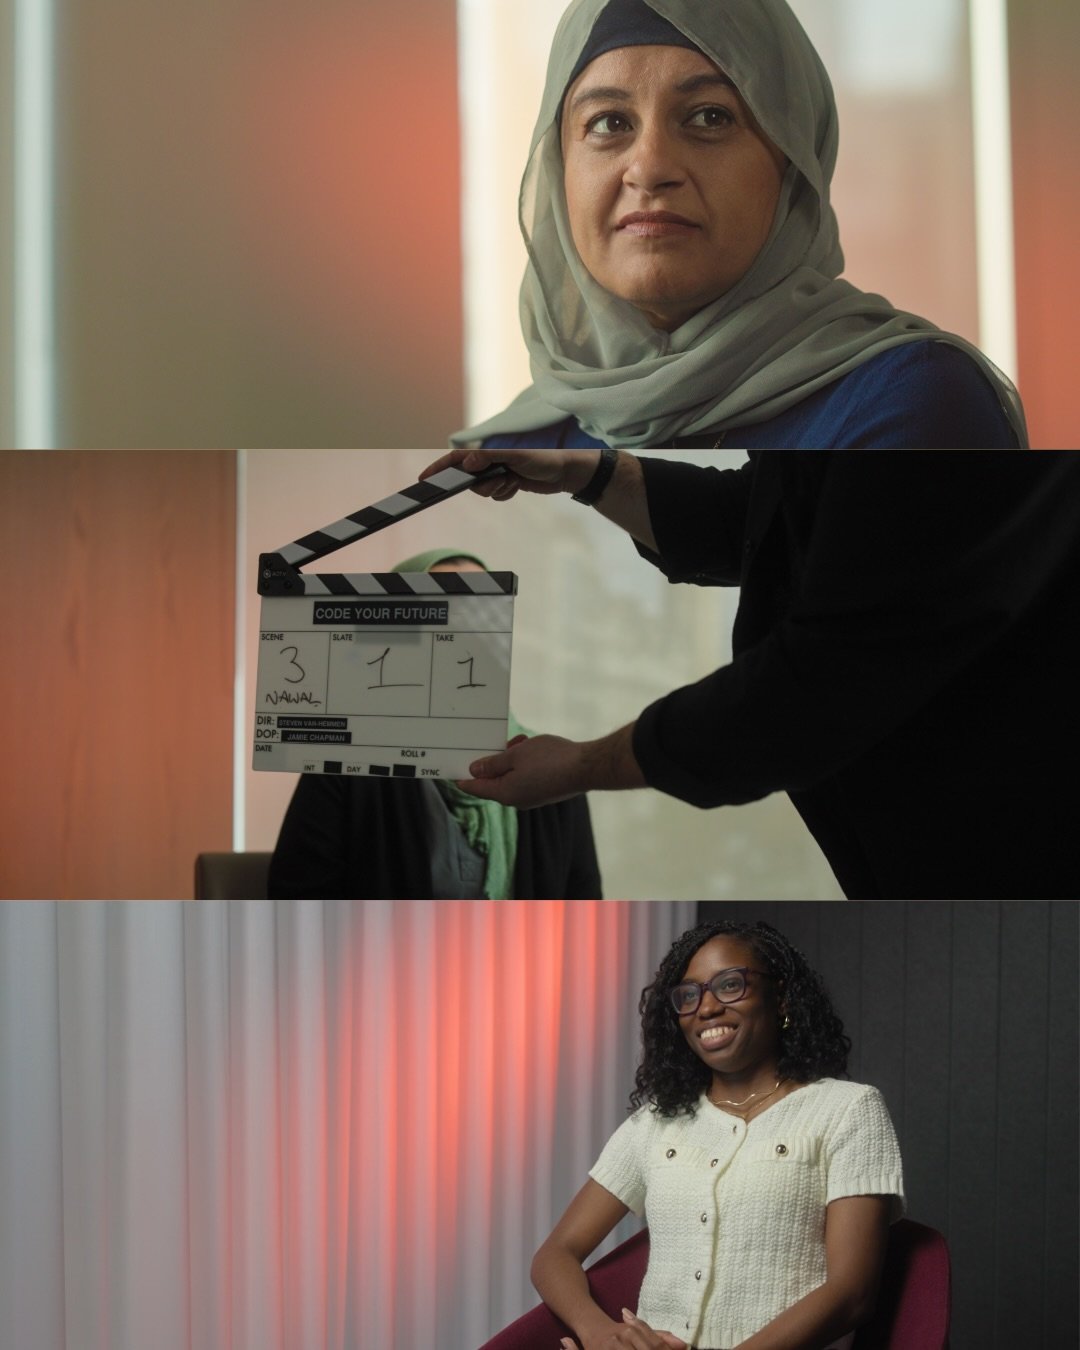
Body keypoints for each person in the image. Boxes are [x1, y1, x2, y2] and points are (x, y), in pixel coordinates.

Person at [417, 448, 1080, 900]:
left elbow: (821, 680)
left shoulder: (920, 401)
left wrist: (583, 766)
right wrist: (590, 473)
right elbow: (762, 514)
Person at [452, 0, 1026, 450]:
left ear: (794, 163)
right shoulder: (510, 451)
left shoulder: (911, 403)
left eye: (710, 117)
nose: (649, 167)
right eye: (608, 122)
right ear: (558, 171)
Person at [532, 920, 903, 1350]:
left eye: (730, 985)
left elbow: (852, 1294)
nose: (706, 1008)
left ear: (780, 997)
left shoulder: (847, 1110)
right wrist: (598, 1332)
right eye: (689, 995)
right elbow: (554, 1254)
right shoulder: (657, 1122)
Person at [267, 549, 603, 900]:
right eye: (442, 616)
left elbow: (584, 909)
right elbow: (297, 898)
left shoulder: (547, 767)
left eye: (482, 618)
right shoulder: (348, 765)